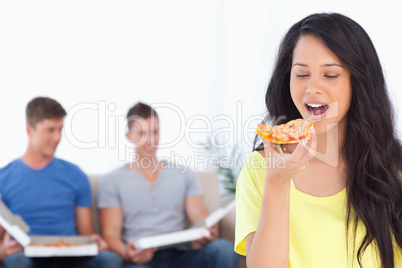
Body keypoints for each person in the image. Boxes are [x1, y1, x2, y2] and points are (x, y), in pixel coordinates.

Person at [235, 13, 402, 268]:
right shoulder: (260, 167)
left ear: (358, 82)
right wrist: (277, 185)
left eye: (330, 75)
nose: (312, 88)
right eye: (301, 74)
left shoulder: (395, 162)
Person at [98, 102, 239, 268]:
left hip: (181, 256)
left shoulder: (183, 173)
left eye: (155, 132)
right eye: (142, 133)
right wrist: (128, 254)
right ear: (129, 136)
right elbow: (111, 234)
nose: (151, 140)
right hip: (143, 260)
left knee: (224, 249)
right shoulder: (112, 181)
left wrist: (206, 233)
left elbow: (201, 218)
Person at [0, 97, 123, 268]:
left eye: (60, 129)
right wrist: (3, 251)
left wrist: (96, 242)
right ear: (30, 130)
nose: (57, 137)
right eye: (50, 130)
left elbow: (86, 232)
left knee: (110, 260)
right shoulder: (4, 178)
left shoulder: (75, 175)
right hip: (27, 256)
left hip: (71, 256)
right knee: (17, 263)